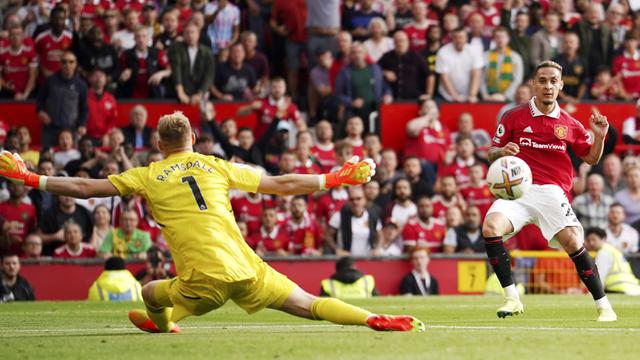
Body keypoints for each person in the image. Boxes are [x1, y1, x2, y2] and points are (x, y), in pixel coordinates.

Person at [0, 111, 422, 332]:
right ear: (193, 141)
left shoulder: (146, 174)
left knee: (148, 290)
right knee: (309, 305)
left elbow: (86, 189)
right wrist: (334, 177)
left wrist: (32, 176)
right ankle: (373, 320)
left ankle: (165, 323)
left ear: (159, 146)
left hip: (203, 280)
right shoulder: (215, 165)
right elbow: (280, 183)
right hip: (247, 268)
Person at [483, 60, 617, 321]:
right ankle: (512, 299)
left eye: (553, 81)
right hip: (517, 191)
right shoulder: (513, 116)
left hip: (552, 192)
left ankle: (604, 307)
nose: (547, 86)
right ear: (534, 84)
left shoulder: (570, 123)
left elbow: (591, 159)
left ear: (561, 85)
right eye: (542, 80)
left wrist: (599, 137)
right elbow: (491, 152)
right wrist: (502, 151)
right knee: (490, 228)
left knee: (574, 243)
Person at [36, 51, 88, 149]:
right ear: (60, 64)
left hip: (71, 130)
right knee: (46, 156)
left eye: (71, 62)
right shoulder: (50, 81)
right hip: (50, 129)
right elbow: (39, 101)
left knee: (71, 159)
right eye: (64, 62)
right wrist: (40, 111)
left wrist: (82, 124)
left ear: (75, 64)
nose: (67, 65)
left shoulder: (81, 85)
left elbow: (84, 108)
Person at [326, 186, 381, 257]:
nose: (355, 202)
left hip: (367, 260)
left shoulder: (372, 217)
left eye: (358, 198)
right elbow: (327, 236)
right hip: (346, 260)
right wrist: (336, 250)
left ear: (365, 200)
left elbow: (380, 235)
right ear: (348, 201)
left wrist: (377, 248)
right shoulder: (339, 216)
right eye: (351, 199)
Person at [584, 227, 640, 296]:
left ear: (603, 238)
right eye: (588, 240)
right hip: (633, 288)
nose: (591, 243)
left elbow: (599, 276)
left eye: (593, 239)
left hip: (619, 290)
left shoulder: (604, 253)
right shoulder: (612, 250)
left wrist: (591, 294)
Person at [119, 26, 171, 99]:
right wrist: (122, 76)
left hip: (153, 96)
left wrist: (161, 74)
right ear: (134, 38)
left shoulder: (157, 53)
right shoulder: (126, 54)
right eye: (138, 37)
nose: (141, 40)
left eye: (144, 36)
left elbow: (170, 70)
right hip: (131, 96)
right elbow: (118, 73)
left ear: (148, 38)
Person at [169, 22, 214, 105]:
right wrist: (180, 92)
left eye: (192, 32)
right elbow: (176, 69)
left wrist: (200, 94)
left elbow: (209, 74)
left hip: (200, 93)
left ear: (198, 34)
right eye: (187, 32)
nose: (190, 35)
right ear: (183, 35)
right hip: (179, 93)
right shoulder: (177, 48)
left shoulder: (206, 52)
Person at [378, 30, 430, 101]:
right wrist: (384, 72)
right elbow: (374, 69)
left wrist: (428, 94)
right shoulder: (387, 56)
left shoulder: (417, 56)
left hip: (414, 99)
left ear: (408, 42)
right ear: (393, 43)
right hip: (392, 99)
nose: (400, 44)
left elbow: (429, 75)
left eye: (402, 41)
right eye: (397, 41)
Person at [435, 27, 483, 103]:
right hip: (447, 96)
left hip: (469, 96)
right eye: (455, 38)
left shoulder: (474, 50)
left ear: (466, 38)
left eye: (461, 37)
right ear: (452, 39)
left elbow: (476, 74)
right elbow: (444, 77)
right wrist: (454, 96)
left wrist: (472, 95)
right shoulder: (443, 52)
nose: (458, 40)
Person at [480, 26, 524, 102]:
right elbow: (481, 78)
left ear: (508, 39)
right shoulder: (485, 56)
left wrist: (505, 96)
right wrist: (485, 95)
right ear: (493, 39)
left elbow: (517, 80)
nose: (500, 39)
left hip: (509, 99)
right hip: (488, 99)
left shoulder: (516, 57)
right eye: (497, 37)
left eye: (503, 37)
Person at [0, 26, 37, 100]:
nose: (15, 37)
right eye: (12, 35)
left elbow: (32, 76)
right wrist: (5, 85)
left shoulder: (29, 52)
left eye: (18, 34)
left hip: (26, 92)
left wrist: (25, 95)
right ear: (8, 37)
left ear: (23, 36)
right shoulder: (2, 53)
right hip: (8, 92)